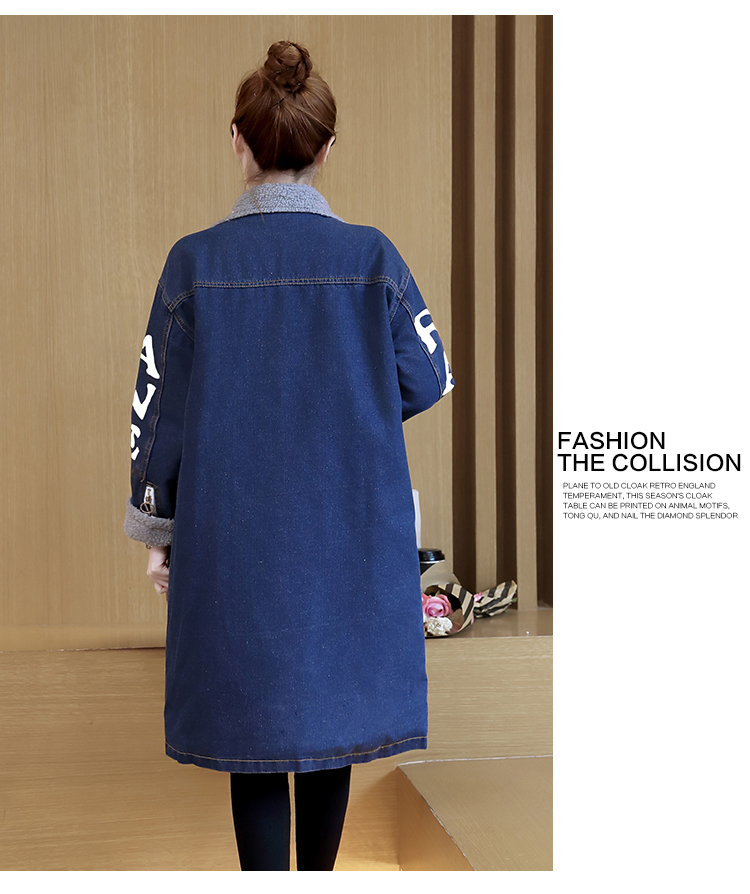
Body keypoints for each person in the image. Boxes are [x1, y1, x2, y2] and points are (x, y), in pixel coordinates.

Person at [124, 40, 454, 872]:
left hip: (233, 538)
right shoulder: (373, 259)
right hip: (346, 533)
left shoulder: (194, 264)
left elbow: (157, 412)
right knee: (329, 718)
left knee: (253, 732)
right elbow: (430, 376)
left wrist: (158, 532)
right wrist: (348, 411)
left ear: (237, 140)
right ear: (327, 149)